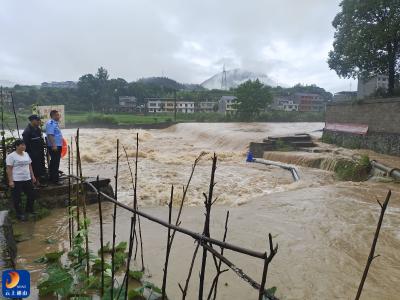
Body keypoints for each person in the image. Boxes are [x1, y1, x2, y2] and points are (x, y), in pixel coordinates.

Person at [6, 139, 36, 221]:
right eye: (22, 145)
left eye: (24, 145)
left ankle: (29, 209)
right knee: (17, 198)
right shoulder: (11, 156)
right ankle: (19, 214)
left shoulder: (26, 154)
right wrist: (10, 181)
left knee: (32, 195)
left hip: (27, 178)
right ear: (16, 146)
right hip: (16, 179)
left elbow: (30, 166)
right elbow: (9, 169)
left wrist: (32, 176)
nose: (24, 146)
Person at [22, 114, 46, 186]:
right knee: (34, 167)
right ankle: (33, 183)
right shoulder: (27, 131)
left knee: (39, 167)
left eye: (39, 120)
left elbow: (40, 139)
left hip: (39, 152)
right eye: (37, 120)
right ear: (32, 121)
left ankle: (38, 182)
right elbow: (26, 144)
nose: (39, 121)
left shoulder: (37, 129)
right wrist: (29, 154)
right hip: (32, 153)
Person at [45, 110, 63, 185]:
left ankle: (52, 178)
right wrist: (54, 145)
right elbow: (50, 135)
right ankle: (55, 180)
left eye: (59, 115)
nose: (59, 116)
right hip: (55, 146)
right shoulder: (51, 123)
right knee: (55, 163)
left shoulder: (54, 123)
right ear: (53, 116)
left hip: (57, 145)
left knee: (53, 162)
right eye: (57, 115)